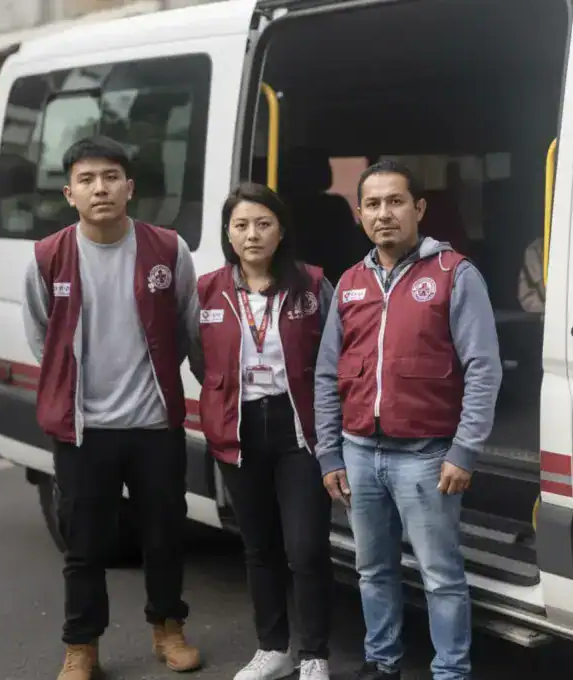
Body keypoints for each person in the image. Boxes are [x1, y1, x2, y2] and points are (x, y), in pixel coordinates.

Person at [314, 160, 503, 680]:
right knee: (372, 570)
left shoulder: (454, 274)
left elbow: (483, 368)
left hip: (426, 455)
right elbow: (327, 372)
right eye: (372, 204)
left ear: (418, 208)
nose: (384, 214)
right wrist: (329, 453)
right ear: (359, 214)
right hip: (358, 451)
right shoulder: (350, 282)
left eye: (395, 201)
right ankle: (383, 662)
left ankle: (450, 672)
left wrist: (464, 450)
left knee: (440, 576)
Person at [22, 135, 202, 680]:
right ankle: (82, 646)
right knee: (83, 546)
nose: (99, 188)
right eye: (86, 179)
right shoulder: (48, 256)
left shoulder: (168, 249)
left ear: (129, 186)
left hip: (154, 424)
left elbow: (188, 327)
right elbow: (43, 338)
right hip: (83, 429)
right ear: (69, 193)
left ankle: (168, 628)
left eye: (110, 177)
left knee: (164, 536)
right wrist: (71, 388)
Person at [195, 183, 335, 680]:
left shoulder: (313, 285)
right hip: (238, 427)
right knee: (258, 546)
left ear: (280, 231)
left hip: (299, 429)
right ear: (228, 234)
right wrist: (223, 395)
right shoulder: (207, 290)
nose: (252, 234)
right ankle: (272, 649)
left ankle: (314, 655)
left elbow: (335, 354)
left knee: (306, 548)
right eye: (241, 225)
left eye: (263, 223)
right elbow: (198, 355)